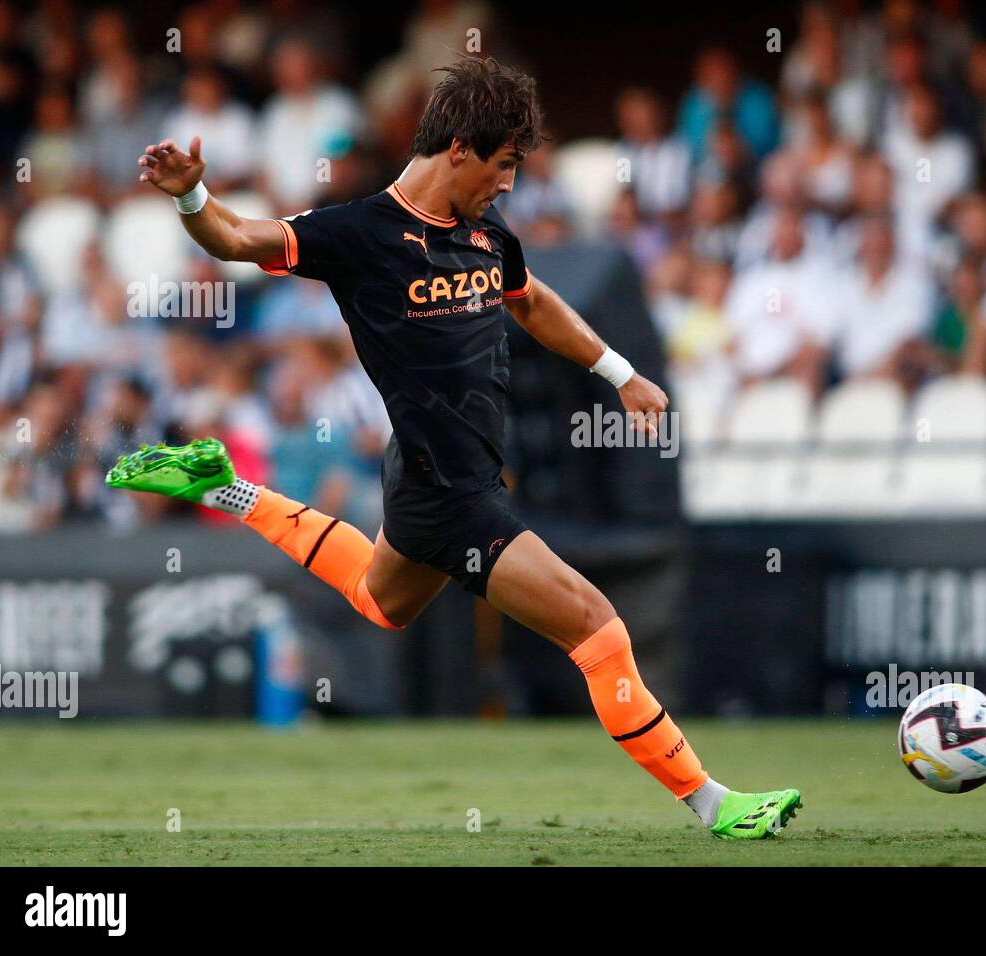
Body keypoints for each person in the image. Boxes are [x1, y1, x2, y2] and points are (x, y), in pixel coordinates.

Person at [105, 57, 801, 840]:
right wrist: (194, 194)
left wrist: (621, 372)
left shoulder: (483, 235)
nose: (508, 184)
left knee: (381, 600)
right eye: (504, 165)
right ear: (461, 149)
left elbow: (532, 301)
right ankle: (715, 804)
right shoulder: (358, 232)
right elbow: (234, 237)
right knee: (600, 629)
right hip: (452, 494)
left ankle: (224, 489)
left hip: (423, 472)